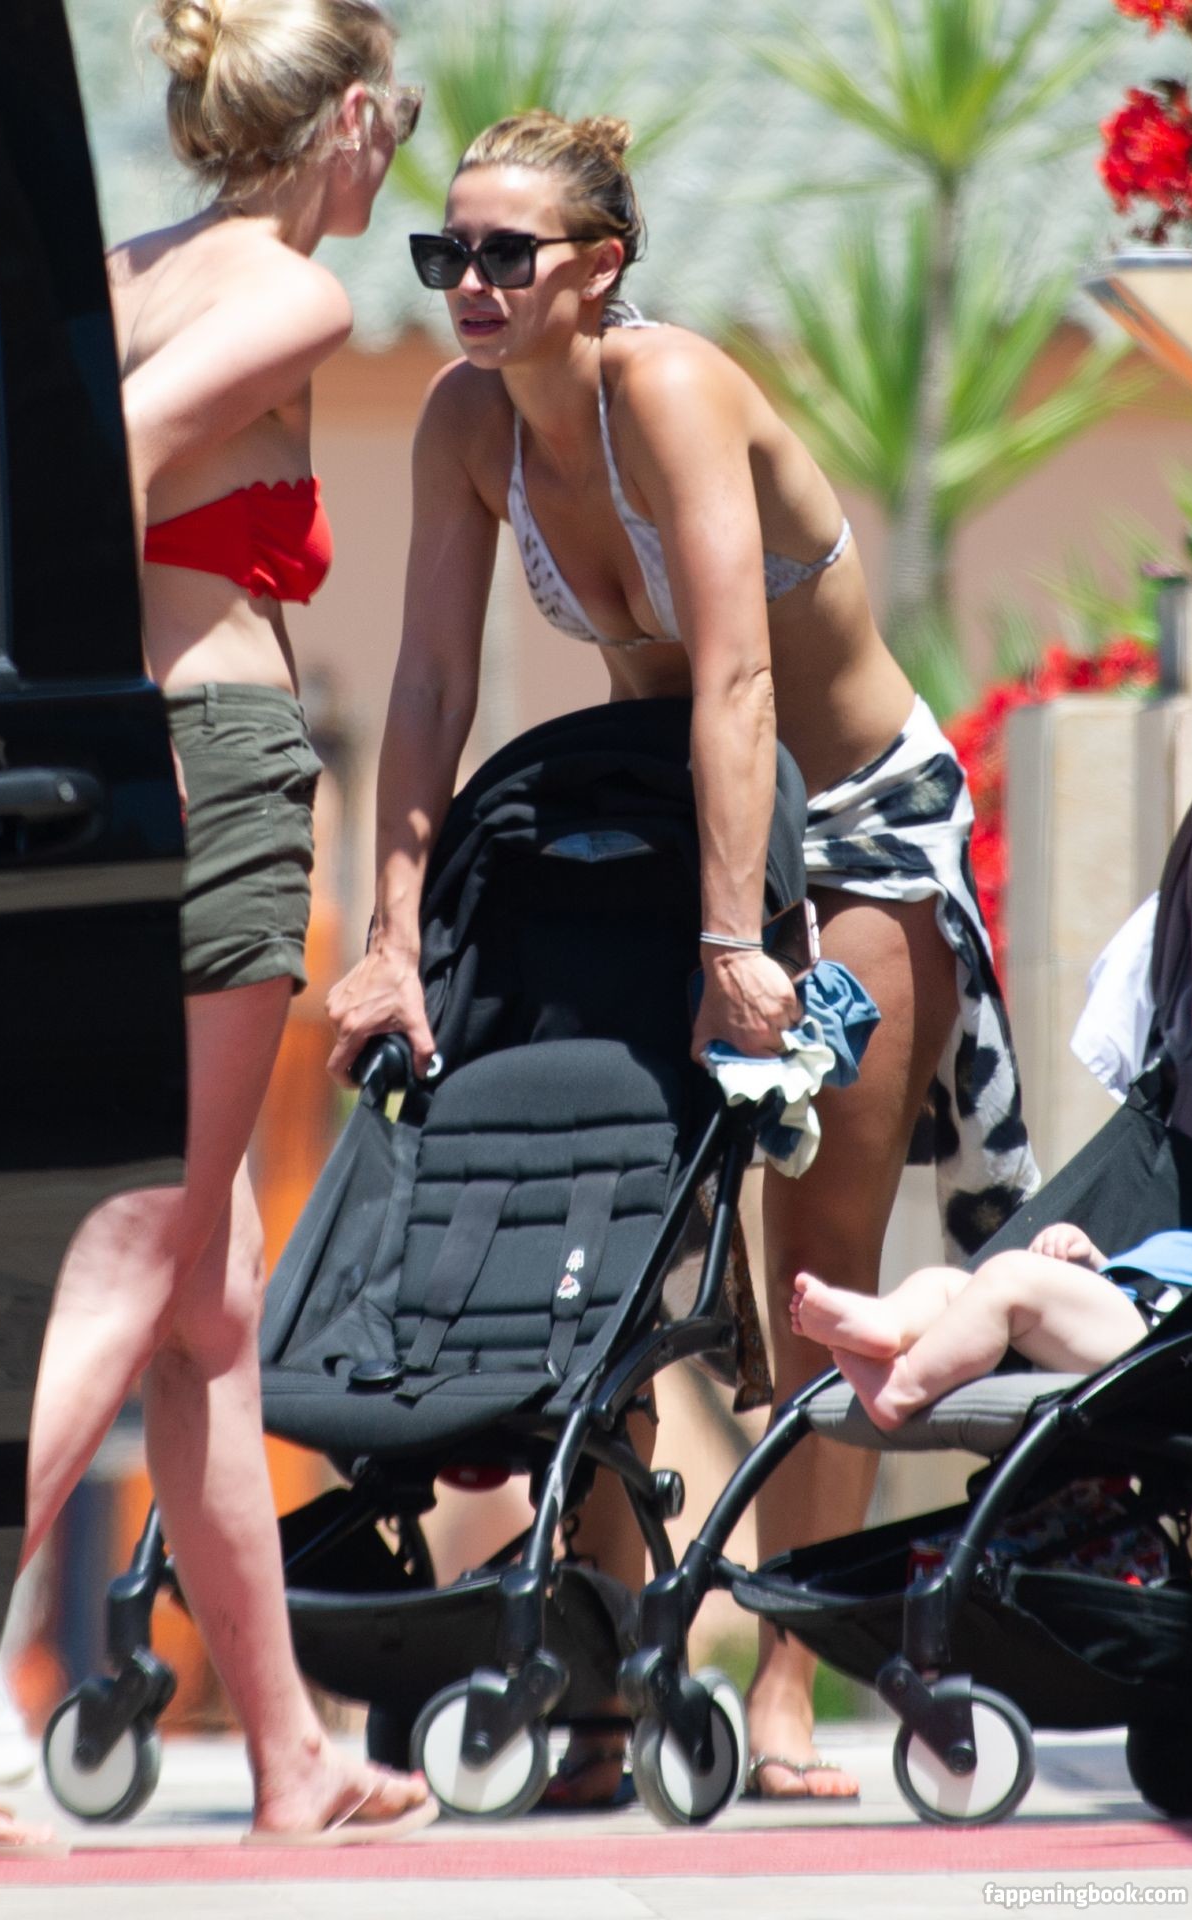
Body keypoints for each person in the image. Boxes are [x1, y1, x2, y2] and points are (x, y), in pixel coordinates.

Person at [323, 108, 1039, 1805]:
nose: (468, 283)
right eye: (444, 253)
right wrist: (390, 942)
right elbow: (428, 684)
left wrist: (736, 944)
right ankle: (603, 1687)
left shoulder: (670, 391)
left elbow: (736, 675)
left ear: (598, 267)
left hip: (847, 819)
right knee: (604, 1249)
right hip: (668, 819)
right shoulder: (463, 423)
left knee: (817, 1267)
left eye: (504, 254)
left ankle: (783, 1681)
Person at [0, 0, 433, 1847]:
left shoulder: (127, 273)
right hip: (210, 764)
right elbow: (56, 492)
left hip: (91, 768)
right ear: (348, 117)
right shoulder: (288, 299)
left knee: (211, 1297)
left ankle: (290, 1753)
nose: (399, 161)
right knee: (141, 1253)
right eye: (399, 124)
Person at [791, 1223, 1192, 1431]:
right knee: (944, 1283)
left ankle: (903, 1388)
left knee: (1008, 1279)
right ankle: (887, 1323)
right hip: (1124, 1304)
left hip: (1163, 1344)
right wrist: (1089, 1256)